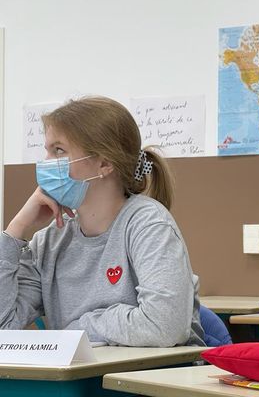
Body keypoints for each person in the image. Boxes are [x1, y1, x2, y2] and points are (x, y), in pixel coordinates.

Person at [0, 96, 205, 347]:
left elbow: (165, 325)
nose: (46, 162)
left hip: (150, 378)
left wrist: (82, 327)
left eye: (59, 150)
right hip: (85, 381)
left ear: (104, 163)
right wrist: (14, 230)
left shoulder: (148, 224)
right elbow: (4, 327)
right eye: (47, 150)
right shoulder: (50, 240)